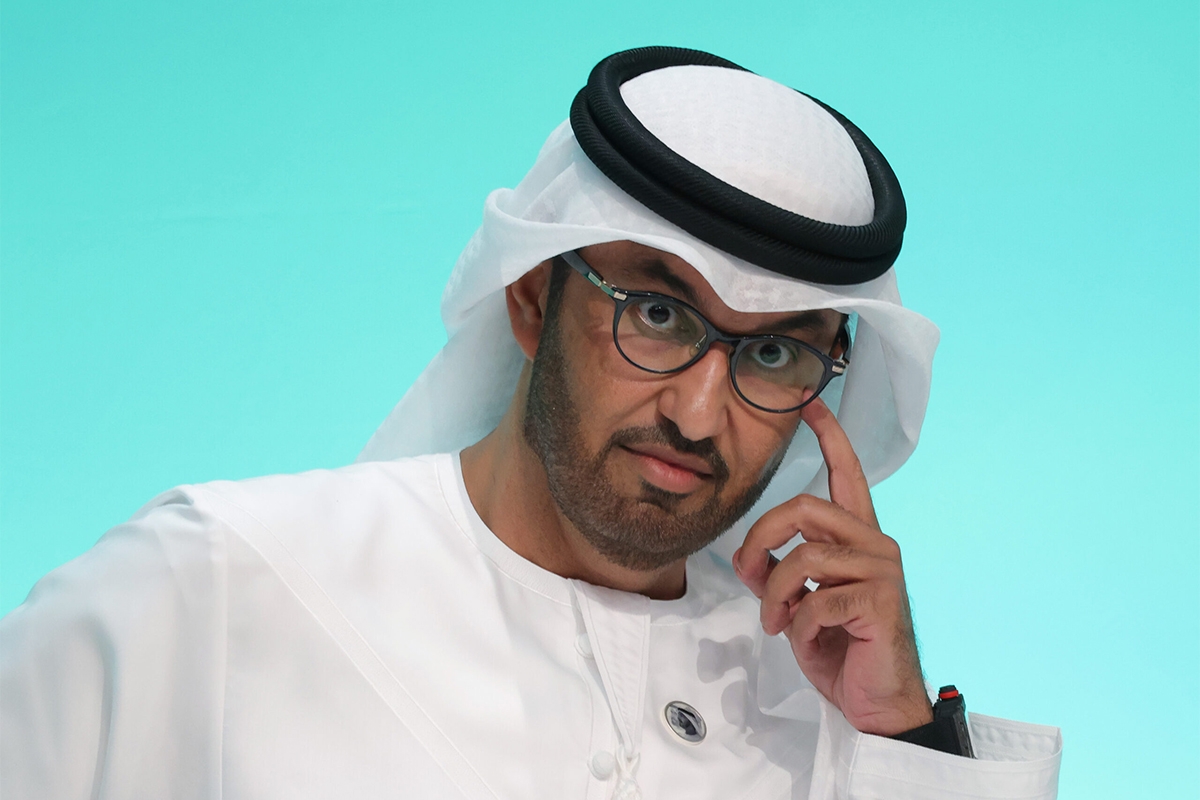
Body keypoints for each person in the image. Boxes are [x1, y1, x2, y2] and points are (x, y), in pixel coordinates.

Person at [1, 47, 1062, 799]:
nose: (699, 414)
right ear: (530, 297)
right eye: (657, 314)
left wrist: (907, 741)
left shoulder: (833, 707)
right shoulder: (224, 583)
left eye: (773, 352)